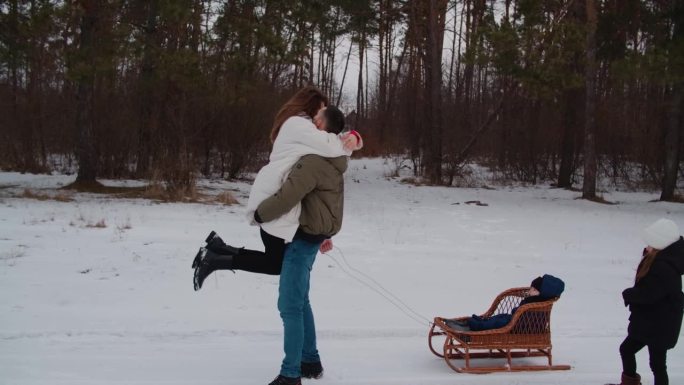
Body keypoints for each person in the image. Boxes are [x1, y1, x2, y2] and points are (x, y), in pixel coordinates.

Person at [192, 88, 361, 289]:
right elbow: (331, 145)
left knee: (275, 261)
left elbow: (329, 149)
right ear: (312, 106)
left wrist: (354, 138)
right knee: (275, 263)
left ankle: (217, 251)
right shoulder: (298, 124)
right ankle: (214, 258)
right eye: (320, 111)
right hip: (273, 196)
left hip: (275, 193)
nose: (318, 119)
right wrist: (352, 139)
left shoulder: (300, 127)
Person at [252, 129, 351, 384]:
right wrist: (326, 233)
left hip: (302, 240)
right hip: (312, 237)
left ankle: (290, 373)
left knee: (290, 306)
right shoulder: (334, 163)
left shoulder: (314, 162)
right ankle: (310, 361)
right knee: (301, 301)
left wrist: (259, 213)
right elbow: (328, 202)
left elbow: (288, 196)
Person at [608, 218, 684, 385]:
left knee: (657, 365)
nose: (647, 246)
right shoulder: (659, 259)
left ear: (660, 243)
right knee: (627, 349)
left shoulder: (665, 267)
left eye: (650, 243)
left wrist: (629, 294)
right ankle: (629, 382)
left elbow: (650, 294)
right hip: (649, 322)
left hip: (661, 325)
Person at [445, 275, 565, 331]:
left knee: (499, 321)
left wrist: (516, 313)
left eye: (533, 289)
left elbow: (525, 315)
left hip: (525, 328)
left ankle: (472, 327)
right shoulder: (534, 300)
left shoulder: (539, 304)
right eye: (530, 288)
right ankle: (475, 322)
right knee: (500, 317)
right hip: (518, 322)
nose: (530, 291)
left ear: (542, 293)